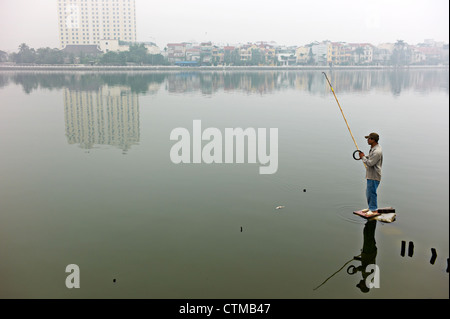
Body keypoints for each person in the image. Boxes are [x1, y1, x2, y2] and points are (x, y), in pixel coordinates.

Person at [359, 133, 383, 216]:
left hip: (374, 175)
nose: (367, 140)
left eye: (369, 139)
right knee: (368, 192)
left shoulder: (377, 151)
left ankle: (373, 210)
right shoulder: (373, 149)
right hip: (370, 175)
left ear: (373, 140)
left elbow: (370, 163)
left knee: (372, 192)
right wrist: (363, 156)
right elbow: (370, 157)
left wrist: (363, 158)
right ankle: (370, 207)